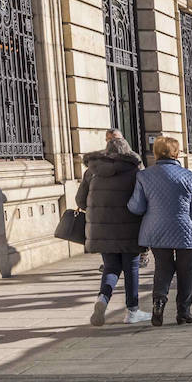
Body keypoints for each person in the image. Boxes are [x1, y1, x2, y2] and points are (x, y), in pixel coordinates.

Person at [127, 135, 192, 326]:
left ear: (156, 153)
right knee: (186, 271)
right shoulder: (190, 177)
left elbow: (136, 207)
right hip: (186, 231)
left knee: (163, 267)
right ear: (176, 153)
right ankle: (184, 312)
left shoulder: (144, 176)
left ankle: (159, 301)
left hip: (156, 230)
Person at [77, 136, 150, 326]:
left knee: (111, 268)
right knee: (131, 267)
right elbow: (143, 200)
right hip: (130, 228)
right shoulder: (135, 171)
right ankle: (132, 310)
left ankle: (102, 299)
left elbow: (80, 201)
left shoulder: (91, 171)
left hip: (101, 230)